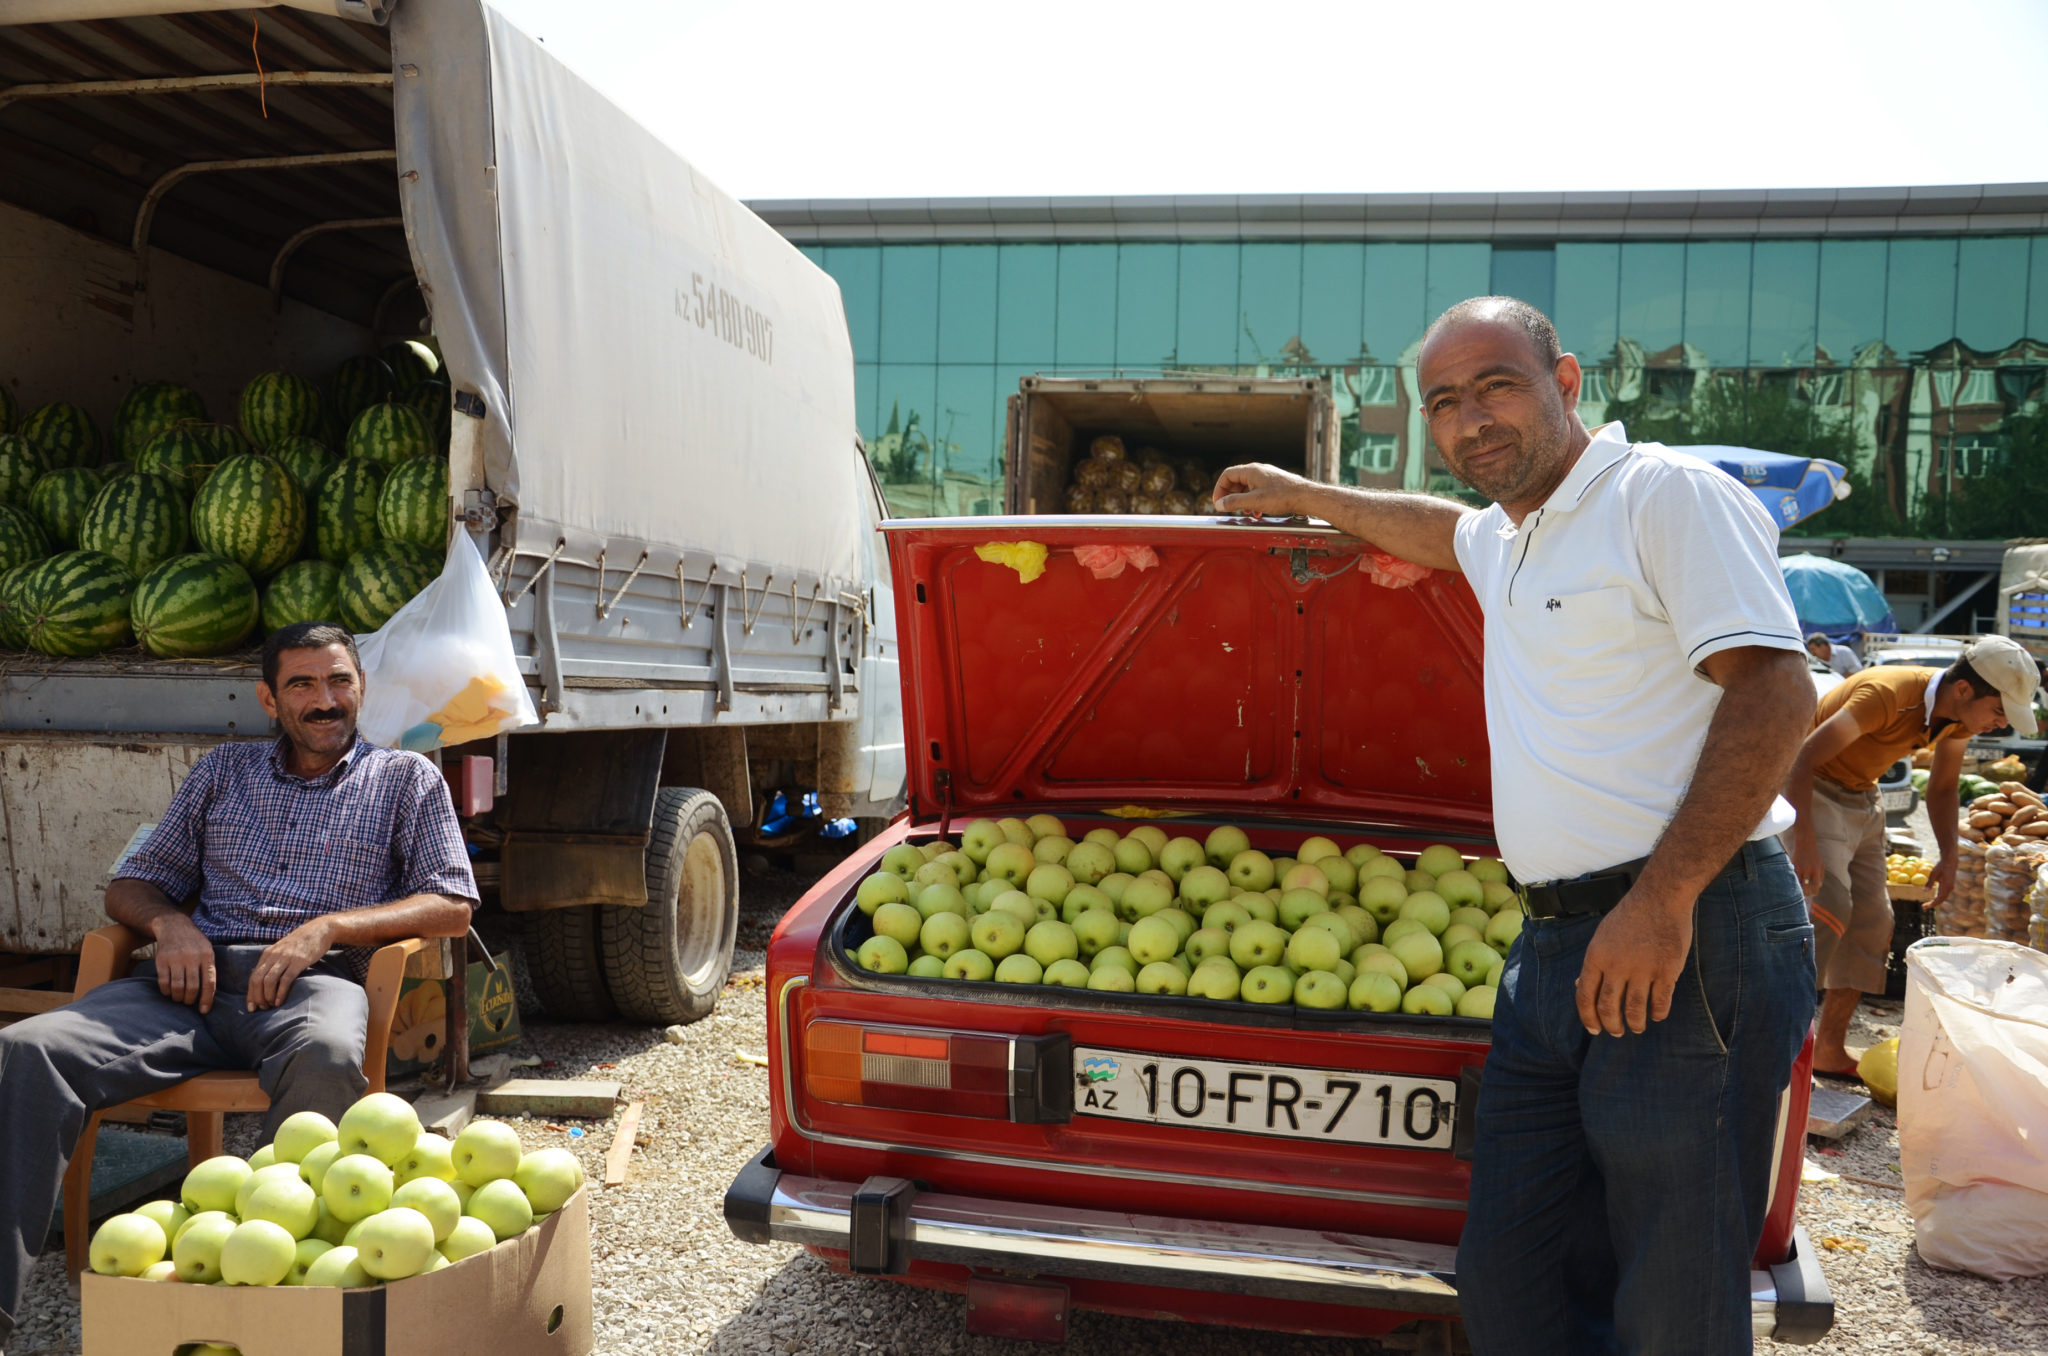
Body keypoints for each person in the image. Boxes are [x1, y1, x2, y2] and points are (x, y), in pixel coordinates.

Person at [1214, 296, 1818, 1355]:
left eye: (1494, 385)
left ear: (1567, 382)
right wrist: (1302, 494)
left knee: (1671, 1288)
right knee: (1512, 1275)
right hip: (1546, 946)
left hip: (1688, 930)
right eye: (1442, 403)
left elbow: (1771, 690)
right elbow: (1435, 530)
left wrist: (1662, 898)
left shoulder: (1661, 496)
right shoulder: (1510, 535)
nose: (1469, 421)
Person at [0, 622, 477, 1346]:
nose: (326, 700)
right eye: (303, 685)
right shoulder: (223, 771)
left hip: (314, 985)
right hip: (188, 984)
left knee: (325, 1058)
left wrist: (331, 928)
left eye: (340, 681)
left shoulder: (405, 778)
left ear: (361, 688)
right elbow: (132, 885)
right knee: (28, 1049)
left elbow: (451, 903)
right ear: (267, 698)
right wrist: (171, 926)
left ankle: (285, 1310)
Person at [1788, 638, 2039, 1076]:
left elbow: (1941, 787)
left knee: (1874, 922)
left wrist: (1949, 855)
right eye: (1998, 711)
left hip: (1865, 796)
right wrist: (1804, 839)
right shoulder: (1886, 694)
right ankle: (1784, 1047)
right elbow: (1802, 758)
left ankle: (1827, 1049)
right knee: (1829, 910)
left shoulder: (1957, 720)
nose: (2000, 725)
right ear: (1964, 690)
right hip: (1815, 789)